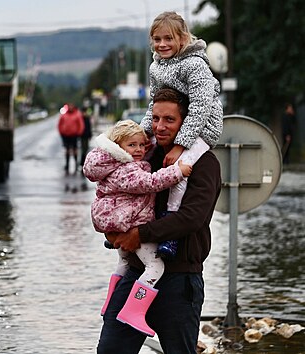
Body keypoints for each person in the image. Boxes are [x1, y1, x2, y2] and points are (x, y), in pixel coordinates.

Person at [97, 87, 221, 354]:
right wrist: (109, 226)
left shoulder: (204, 163)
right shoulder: (145, 155)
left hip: (179, 280)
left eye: (169, 119)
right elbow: (114, 191)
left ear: (186, 123)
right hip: (136, 272)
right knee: (110, 350)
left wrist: (140, 234)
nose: (160, 126)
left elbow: (192, 218)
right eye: (155, 118)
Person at [83, 119, 192, 337]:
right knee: (155, 268)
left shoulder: (112, 164)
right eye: (132, 146)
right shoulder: (125, 169)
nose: (139, 150)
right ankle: (135, 309)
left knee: (123, 262)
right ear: (118, 147)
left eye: (142, 145)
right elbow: (149, 183)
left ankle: (110, 303)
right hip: (133, 224)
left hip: (122, 223)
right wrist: (178, 172)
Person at [138, 11, 223, 259]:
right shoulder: (155, 67)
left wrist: (180, 146)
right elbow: (155, 104)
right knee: (142, 158)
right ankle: (126, 218)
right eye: (157, 39)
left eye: (168, 39)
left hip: (204, 126)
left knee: (180, 170)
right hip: (177, 124)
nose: (162, 44)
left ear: (182, 38)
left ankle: (171, 230)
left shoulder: (195, 64)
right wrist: (143, 133)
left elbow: (200, 106)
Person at [58, 104, 85, 174]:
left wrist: (79, 132)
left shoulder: (77, 115)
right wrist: (61, 132)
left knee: (74, 149)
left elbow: (81, 124)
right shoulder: (64, 115)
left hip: (74, 135)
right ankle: (67, 164)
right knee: (67, 149)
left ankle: (76, 163)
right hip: (66, 135)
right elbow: (60, 124)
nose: (70, 108)